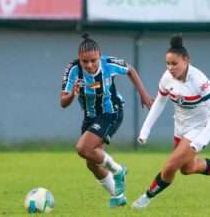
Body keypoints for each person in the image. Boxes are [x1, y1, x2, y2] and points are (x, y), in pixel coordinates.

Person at [132, 34, 210, 209]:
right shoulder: (167, 77)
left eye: (174, 63)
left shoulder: (199, 81)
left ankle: (145, 198)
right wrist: (145, 130)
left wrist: (201, 141)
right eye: (167, 63)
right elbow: (160, 101)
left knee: (170, 165)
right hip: (180, 128)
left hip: (198, 129)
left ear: (186, 60)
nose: (170, 68)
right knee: (187, 168)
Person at [61, 33, 153, 208]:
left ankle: (118, 171)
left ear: (99, 56)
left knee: (82, 148)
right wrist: (72, 93)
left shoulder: (108, 64)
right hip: (90, 117)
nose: (89, 65)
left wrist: (144, 94)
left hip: (112, 112)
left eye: (93, 60)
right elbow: (63, 103)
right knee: (92, 163)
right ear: (79, 59)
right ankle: (118, 196)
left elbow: (130, 69)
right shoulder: (72, 70)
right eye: (84, 61)